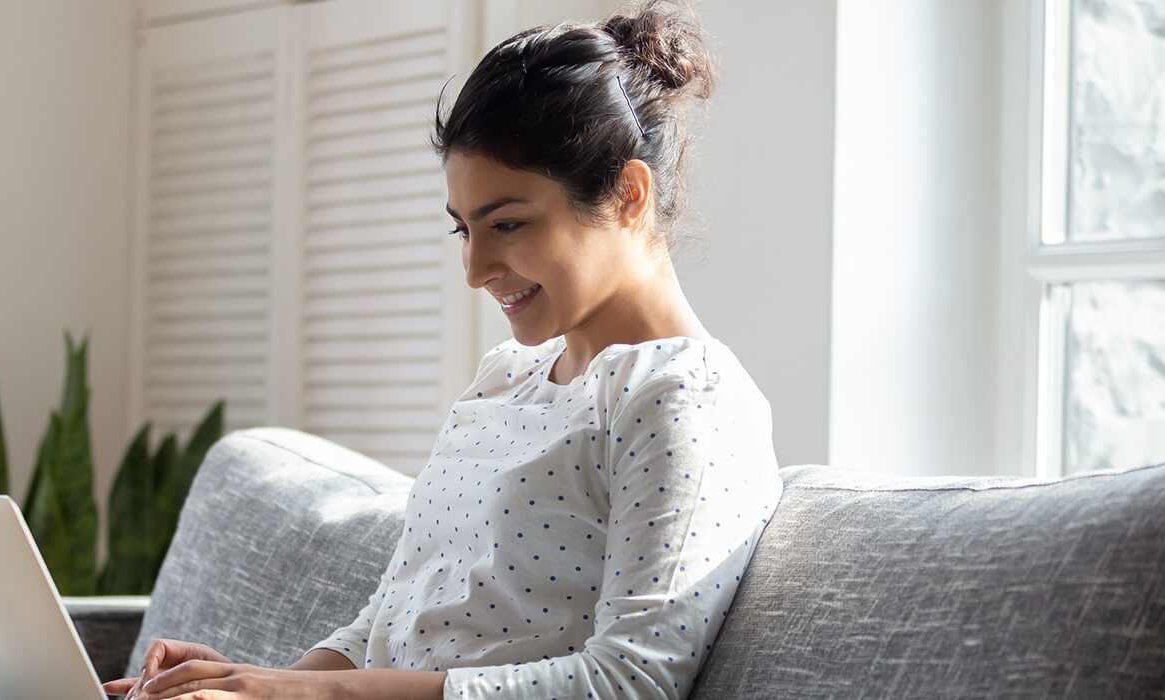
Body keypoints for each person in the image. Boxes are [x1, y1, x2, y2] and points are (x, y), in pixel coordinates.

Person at [105, 1, 779, 697]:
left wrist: (309, 695)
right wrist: (252, 685)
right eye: (464, 229)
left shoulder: (683, 398)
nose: (476, 269)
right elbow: (391, 623)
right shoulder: (508, 377)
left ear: (627, 194)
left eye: (508, 223)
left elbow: (629, 681)